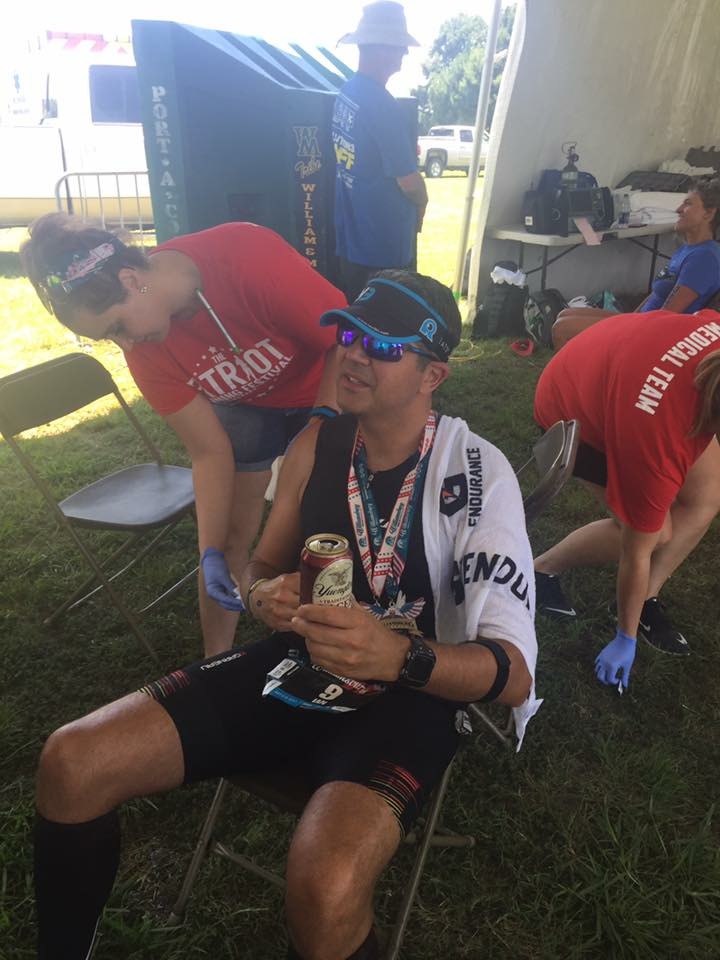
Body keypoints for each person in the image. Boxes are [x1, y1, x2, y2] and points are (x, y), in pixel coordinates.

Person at [33, 270, 538, 960]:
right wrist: (261, 594)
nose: (354, 355)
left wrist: (399, 655)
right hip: (297, 664)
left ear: (433, 375)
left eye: (384, 347)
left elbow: (513, 675)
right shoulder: (316, 445)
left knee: (325, 886)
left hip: (412, 694)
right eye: (351, 336)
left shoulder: (476, 473)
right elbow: (263, 565)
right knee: (72, 760)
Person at [20, 213, 346, 655]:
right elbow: (209, 453)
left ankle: (345, 634)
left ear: (131, 279)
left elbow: (344, 339)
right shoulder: (146, 350)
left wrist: (321, 424)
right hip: (248, 404)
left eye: (116, 328)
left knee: (331, 514)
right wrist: (210, 551)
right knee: (230, 535)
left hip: (326, 378)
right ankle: (214, 663)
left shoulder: (246, 256)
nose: (125, 346)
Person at [533, 307, 720, 688]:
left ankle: (646, 597)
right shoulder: (658, 434)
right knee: (655, 533)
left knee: (708, 493)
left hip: (618, 372)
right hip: (570, 406)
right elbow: (637, 550)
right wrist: (625, 637)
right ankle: (540, 570)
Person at [551, 179, 720, 350]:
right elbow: (656, 294)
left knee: (562, 328)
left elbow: (667, 316)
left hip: (651, 332)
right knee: (564, 314)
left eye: (688, 204)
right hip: (641, 321)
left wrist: (631, 325)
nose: (679, 209)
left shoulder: (704, 258)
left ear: (709, 213)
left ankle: (577, 366)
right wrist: (631, 316)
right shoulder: (688, 250)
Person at [332, 2, 428, 301]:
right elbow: (408, 182)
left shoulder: (347, 94)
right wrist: (423, 203)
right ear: (381, 49)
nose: (405, 53)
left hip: (353, 241)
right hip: (383, 248)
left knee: (355, 317)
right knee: (388, 322)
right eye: (400, 46)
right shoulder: (381, 105)